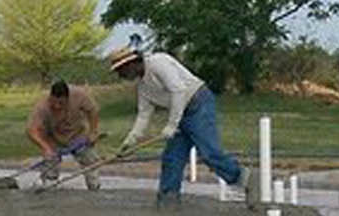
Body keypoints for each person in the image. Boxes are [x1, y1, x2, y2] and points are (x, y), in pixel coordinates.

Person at [109, 45, 254, 207]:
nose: (120, 76)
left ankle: (244, 179)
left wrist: (172, 125)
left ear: (132, 64)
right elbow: (143, 116)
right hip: (179, 114)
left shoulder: (158, 62)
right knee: (172, 159)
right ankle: (168, 200)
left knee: (209, 153)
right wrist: (130, 141)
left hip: (198, 104)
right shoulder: (143, 88)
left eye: (121, 71)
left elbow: (178, 91)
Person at [26, 79, 102, 190]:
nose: (57, 106)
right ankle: (49, 187)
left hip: (78, 135)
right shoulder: (42, 106)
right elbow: (31, 130)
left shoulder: (79, 95)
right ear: (50, 97)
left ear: (68, 98)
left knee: (90, 160)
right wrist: (46, 148)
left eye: (61, 103)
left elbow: (93, 111)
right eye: (54, 103)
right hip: (53, 138)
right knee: (50, 165)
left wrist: (93, 132)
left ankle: (94, 187)